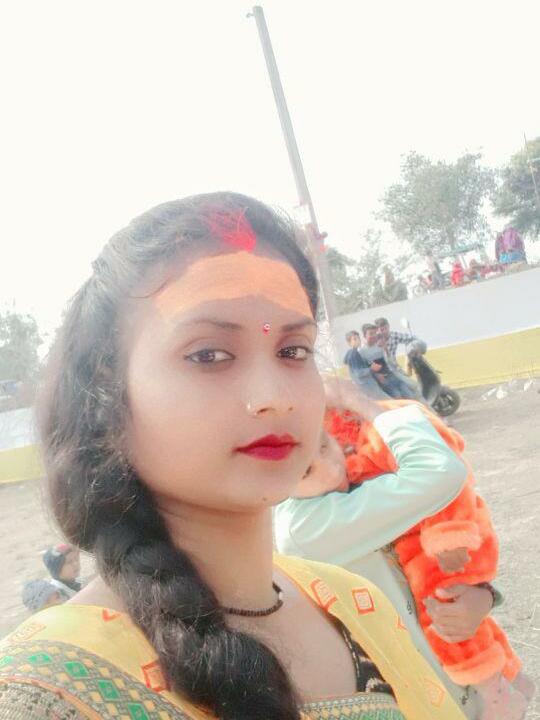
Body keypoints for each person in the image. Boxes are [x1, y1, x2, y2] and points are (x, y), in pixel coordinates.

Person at [0, 192, 468, 720]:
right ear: (107, 396)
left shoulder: (352, 604)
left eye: (293, 350)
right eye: (209, 354)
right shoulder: (48, 692)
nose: (274, 397)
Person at [274, 393, 533, 719]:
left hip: (458, 685)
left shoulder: (347, 489)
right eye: (306, 471)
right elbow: (439, 472)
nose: (331, 468)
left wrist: (482, 595)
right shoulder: (305, 527)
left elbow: (422, 552)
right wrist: (357, 400)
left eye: (325, 446)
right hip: (429, 698)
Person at [358, 323, 416, 400]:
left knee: (409, 394)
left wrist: (385, 349)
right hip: (382, 380)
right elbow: (363, 371)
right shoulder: (361, 352)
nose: (374, 336)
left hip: (391, 374)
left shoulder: (379, 345)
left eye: (375, 333)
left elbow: (389, 361)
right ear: (364, 336)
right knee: (398, 397)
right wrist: (376, 375)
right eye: (371, 334)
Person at [343, 330, 391, 400]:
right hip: (367, 386)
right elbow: (358, 373)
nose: (358, 341)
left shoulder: (351, 353)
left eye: (358, 338)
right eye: (354, 339)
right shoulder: (353, 354)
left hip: (364, 386)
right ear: (349, 343)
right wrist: (371, 369)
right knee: (387, 401)